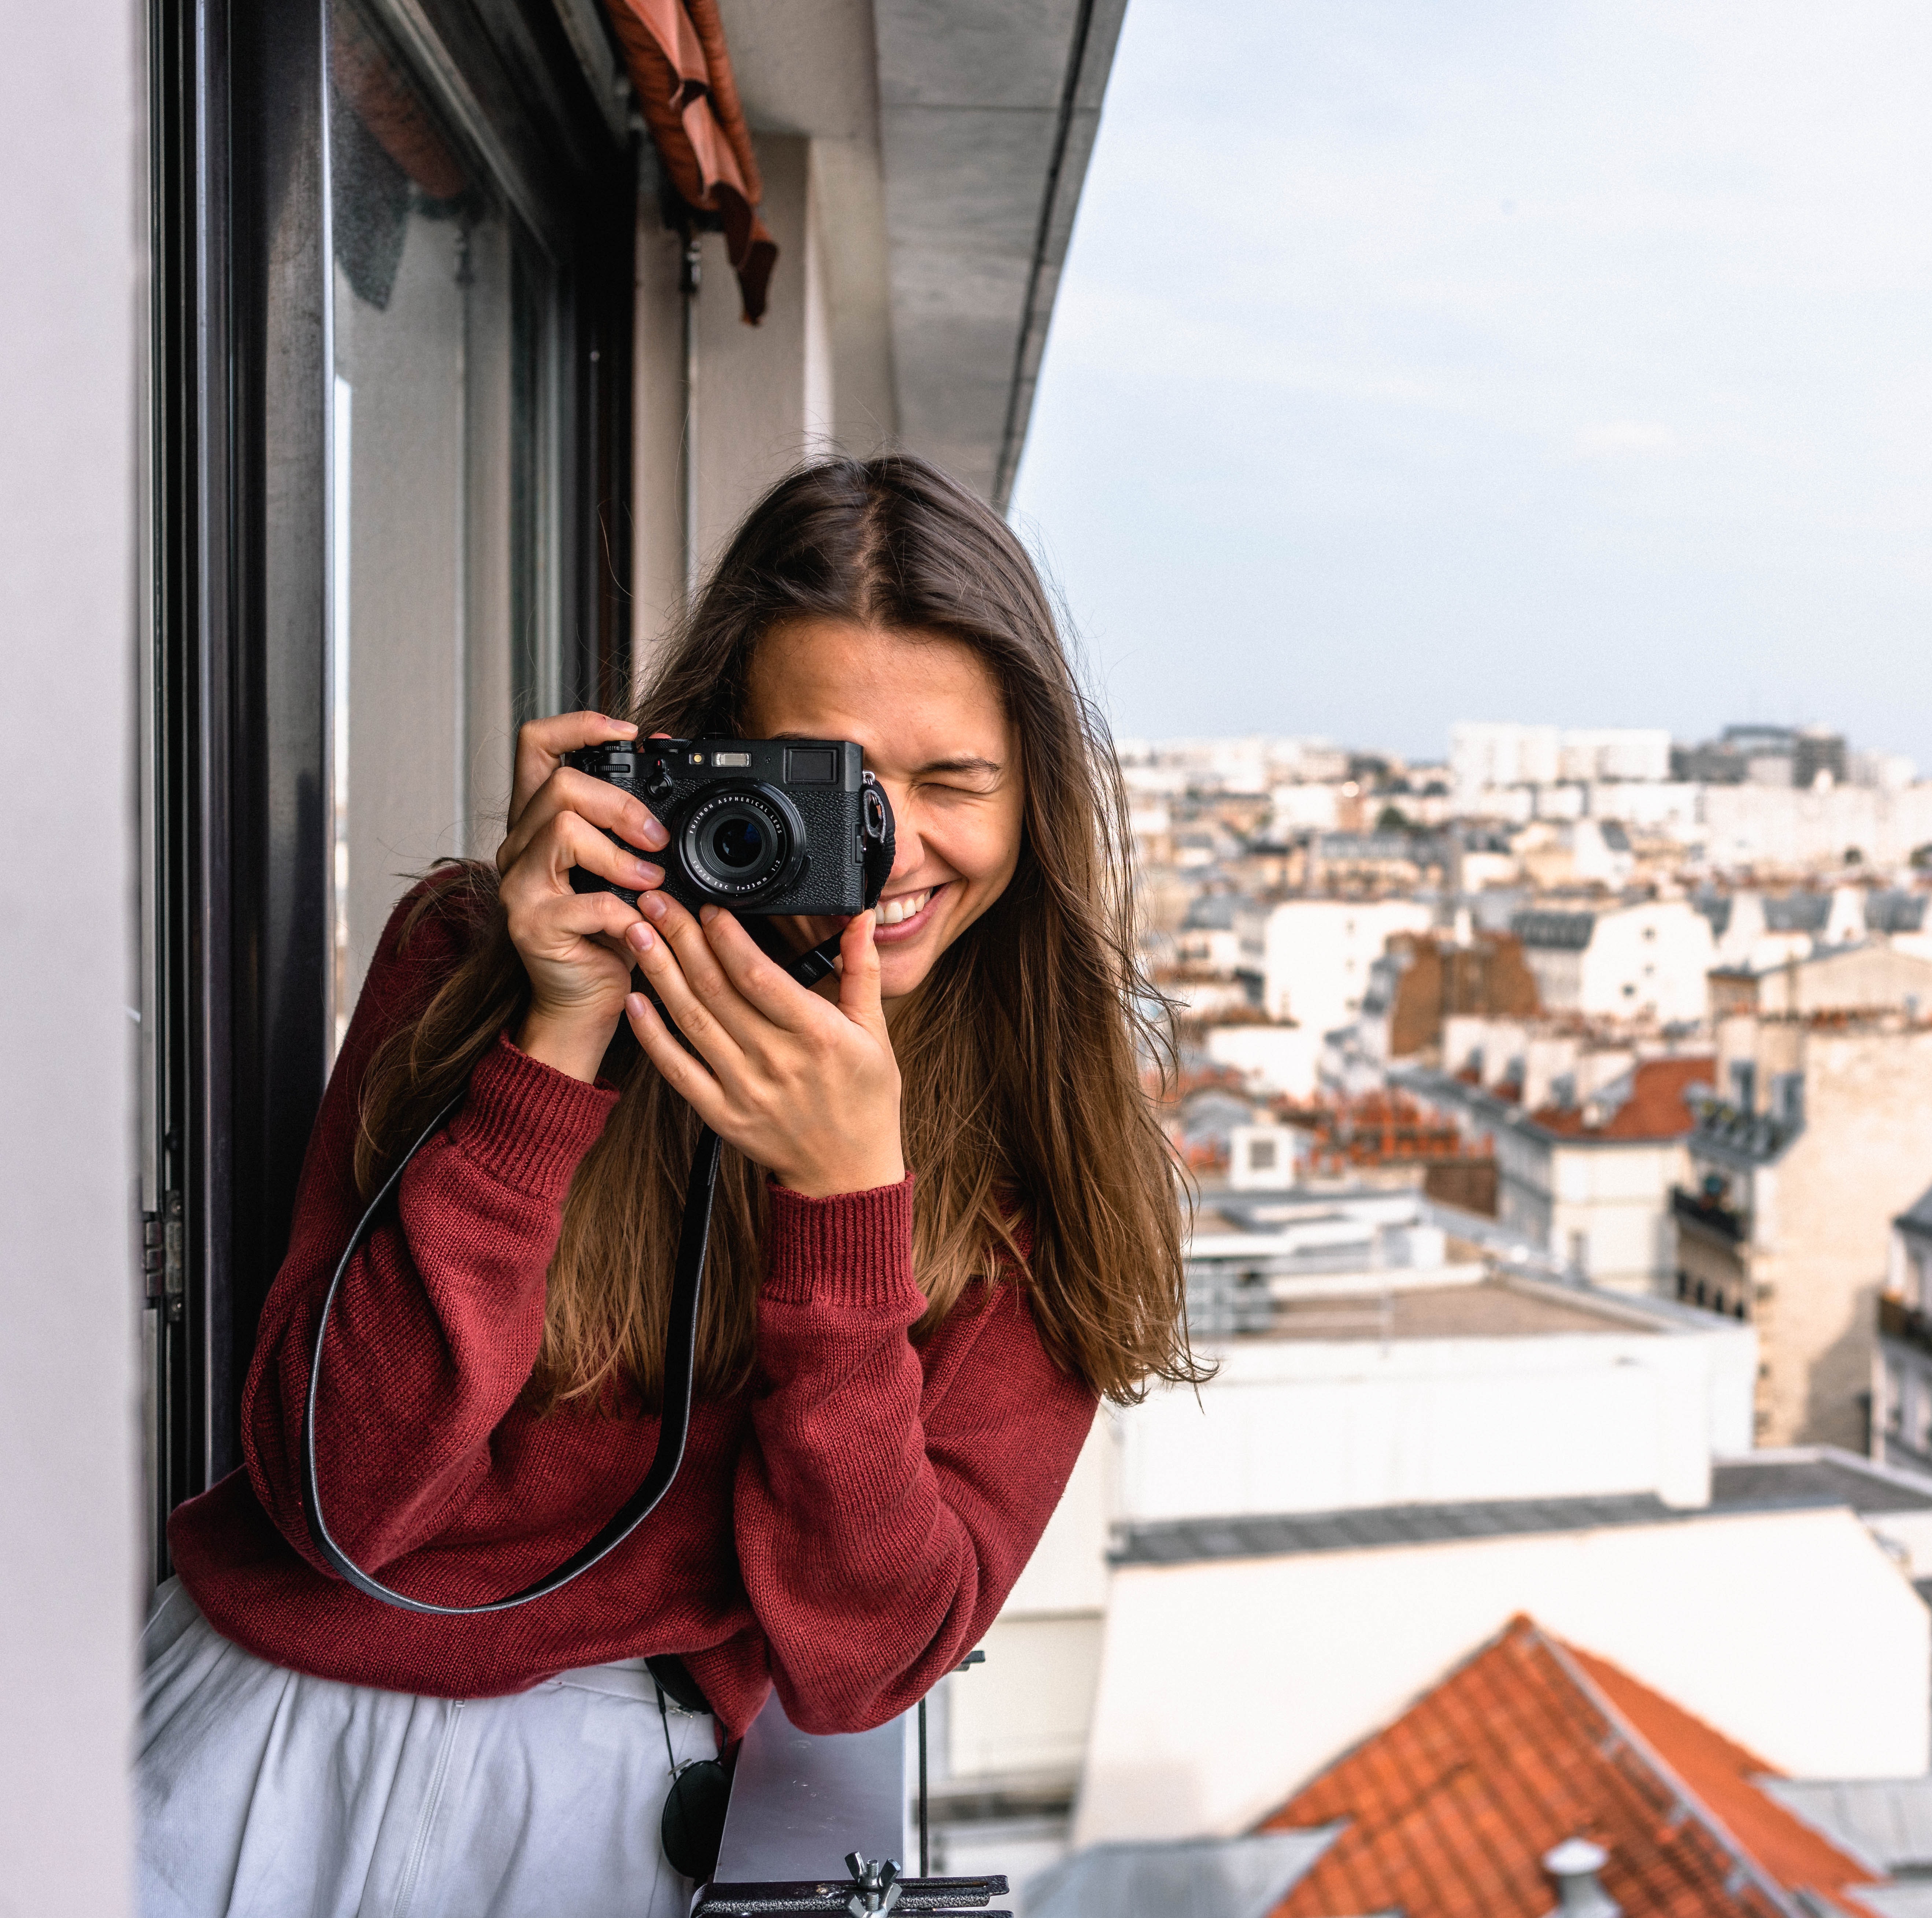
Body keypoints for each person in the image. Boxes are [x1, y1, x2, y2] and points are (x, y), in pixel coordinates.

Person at [136, 456, 1196, 1917]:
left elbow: (868, 1654)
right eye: (827, 782)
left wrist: (845, 1214)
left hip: (617, 1804)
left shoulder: (1042, 1130)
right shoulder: (471, 955)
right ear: (706, 759)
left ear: (1036, 796)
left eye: (953, 782)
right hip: (260, 1734)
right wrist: (555, 1027)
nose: (884, 846)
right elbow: (344, 1498)